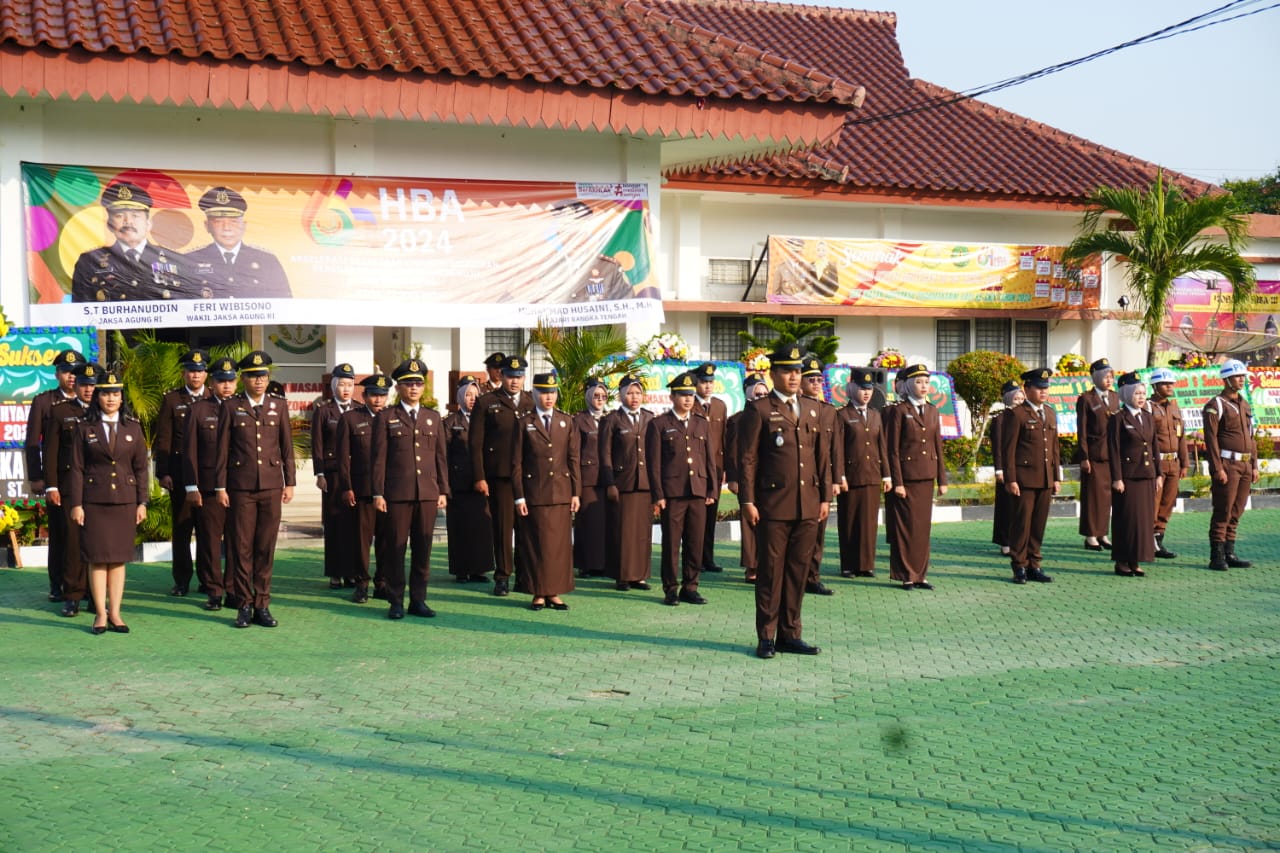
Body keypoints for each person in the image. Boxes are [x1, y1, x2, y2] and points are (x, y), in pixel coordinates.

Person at [739, 345, 830, 659]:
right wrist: (747, 500)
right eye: (788, 371)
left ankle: (791, 634)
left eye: (798, 371)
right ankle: (766, 636)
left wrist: (826, 498)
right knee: (771, 572)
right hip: (773, 505)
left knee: (797, 571)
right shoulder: (760, 410)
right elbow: (748, 460)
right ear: (774, 374)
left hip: (807, 504)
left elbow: (822, 459)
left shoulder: (812, 408)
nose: (794, 376)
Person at [215, 350, 295, 628]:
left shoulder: (279, 406)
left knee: (265, 547)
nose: (259, 381)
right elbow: (222, 451)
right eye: (253, 376)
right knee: (241, 547)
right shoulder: (230, 406)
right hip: (240, 487)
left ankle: (263, 604)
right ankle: (243, 605)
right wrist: (220, 486)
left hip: (272, 486)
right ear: (243, 379)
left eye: (262, 376)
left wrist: (291, 482)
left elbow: (286, 447)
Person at [65, 370, 149, 635]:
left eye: (115, 393)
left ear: (122, 397)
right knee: (98, 559)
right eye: (105, 393)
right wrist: (77, 504)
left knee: (118, 560)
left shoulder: (133, 428)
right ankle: (100, 614)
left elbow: (141, 468)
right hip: (94, 502)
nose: (111, 399)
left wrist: (142, 502)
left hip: (124, 501)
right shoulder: (83, 428)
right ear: (97, 397)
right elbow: (76, 468)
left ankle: (116, 613)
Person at [371, 359, 450, 620]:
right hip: (397, 494)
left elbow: (440, 457)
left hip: (427, 492)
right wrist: (378, 492)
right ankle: (395, 601)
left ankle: (419, 599)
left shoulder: (433, 417)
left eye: (418, 383)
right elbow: (379, 458)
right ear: (399, 387)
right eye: (408, 384)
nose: (414, 388)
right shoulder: (386, 417)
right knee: (395, 548)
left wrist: (442, 490)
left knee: (423, 548)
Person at [646, 372, 717, 606]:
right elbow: (654, 464)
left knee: (695, 543)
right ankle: (670, 588)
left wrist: (711, 490)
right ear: (672, 397)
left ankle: (690, 586)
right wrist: (658, 495)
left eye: (690, 395)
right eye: (682, 395)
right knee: (671, 544)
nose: (688, 399)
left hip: (697, 490)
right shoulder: (659, 425)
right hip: (673, 493)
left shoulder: (701, 423)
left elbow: (709, 459)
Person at [511, 373, 580, 611]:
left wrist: (575, 493)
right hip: (535, 493)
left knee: (559, 547)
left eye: (552, 392)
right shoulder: (524, 422)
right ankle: (538, 592)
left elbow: (573, 459)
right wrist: (519, 496)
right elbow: (516, 463)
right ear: (535, 394)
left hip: (561, 492)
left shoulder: (566, 421)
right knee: (537, 546)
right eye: (543, 392)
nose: (548, 397)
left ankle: (555, 592)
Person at [470, 354, 534, 596]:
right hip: (501, 475)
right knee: (503, 528)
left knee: (526, 528)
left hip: (528, 477)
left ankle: (525, 576)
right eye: (510, 376)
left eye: (518, 377)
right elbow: (475, 443)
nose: (514, 381)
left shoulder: (531, 402)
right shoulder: (487, 402)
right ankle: (503, 576)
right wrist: (479, 476)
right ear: (501, 376)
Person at [25, 348, 87, 601]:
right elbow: (33, 443)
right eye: (65, 372)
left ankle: (83, 584)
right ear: (57, 374)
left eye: (75, 372)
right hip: (58, 479)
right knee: (60, 533)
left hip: (86, 481)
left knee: (82, 535)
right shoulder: (44, 401)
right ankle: (57, 582)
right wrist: (38, 478)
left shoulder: (93, 400)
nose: (71, 377)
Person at [70, 182, 193, 302]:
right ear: (109, 225)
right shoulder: (90, 261)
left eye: (135, 215)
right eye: (119, 215)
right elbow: (81, 311)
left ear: (148, 224)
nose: (128, 221)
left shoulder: (175, 261)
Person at [153, 349, 212, 597]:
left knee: (208, 531)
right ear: (183, 373)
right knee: (182, 529)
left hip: (209, 476)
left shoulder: (215, 398)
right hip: (179, 475)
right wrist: (162, 472)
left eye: (199, 371)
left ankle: (209, 580)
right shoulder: (172, 400)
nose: (195, 375)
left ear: (206, 374)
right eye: (191, 371)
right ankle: (182, 580)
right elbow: (164, 439)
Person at [182, 357, 240, 612]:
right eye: (221, 381)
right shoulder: (199, 410)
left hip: (239, 486)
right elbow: (190, 452)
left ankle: (233, 589)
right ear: (212, 382)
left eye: (230, 381)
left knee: (238, 541)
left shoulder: (244, 407)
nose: (226, 386)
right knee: (210, 541)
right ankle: (214, 590)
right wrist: (191, 486)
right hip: (207, 486)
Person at [42, 362, 99, 616]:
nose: (89, 390)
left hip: (100, 488)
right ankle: (73, 594)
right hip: (68, 487)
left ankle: (96, 595)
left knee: (98, 543)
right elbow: (51, 453)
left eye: (93, 385)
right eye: (84, 385)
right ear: (76, 385)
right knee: (73, 542)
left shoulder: (108, 413)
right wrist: (51, 485)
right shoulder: (60, 412)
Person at [884, 364, 947, 590]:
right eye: (919, 382)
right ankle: (906, 574)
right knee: (905, 528)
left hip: (926, 476)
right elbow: (893, 450)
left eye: (926, 382)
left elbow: (937, 446)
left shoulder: (932, 410)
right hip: (907, 478)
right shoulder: (900, 411)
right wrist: (897, 482)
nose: (923, 386)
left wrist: (942, 479)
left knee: (922, 529)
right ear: (909, 385)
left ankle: (921, 574)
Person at [335, 373, 392, 603]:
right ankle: (361, 583)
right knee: (361, 541)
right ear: (365, 395)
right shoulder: (351, 418)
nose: (379, 400)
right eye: (374, 395)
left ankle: (382, 582)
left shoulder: (393, 417)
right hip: (362, 490)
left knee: (387, 540)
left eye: (383, 395)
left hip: (390, 490)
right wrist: (346, 487)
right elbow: (343, 458)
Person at [1000, 368, 1061, 585]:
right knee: (1021, 524)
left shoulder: (1050, 413)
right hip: (1024, 479)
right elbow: (1009, 450)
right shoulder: (1016, 414)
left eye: (1046, 388)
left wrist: (1056, 477)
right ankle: (1019, 566)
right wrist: (1011, 479)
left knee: (1038, 525)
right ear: (1027, 390)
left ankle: (1035, 564)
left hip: (1045, 478)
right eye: (1039, 388)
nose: (1043, 392)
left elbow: (1054, 449)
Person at [599, 374, 654, 591]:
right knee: (622, 532)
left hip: (645, 483)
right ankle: (622, 575)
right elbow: (605, 454)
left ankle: (639, 575)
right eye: (630, 393)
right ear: (621, 395)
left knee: (642, 532)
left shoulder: (650, 418)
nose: (634, 397)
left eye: (638, 393)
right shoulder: (612, 419)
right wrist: (610, 482)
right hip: (623, 483)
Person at [1203, 359, 1258, 571]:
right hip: (1227, 464)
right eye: (1237, 376)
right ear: (1226, 379)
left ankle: (1229, 552)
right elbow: (1211, 440)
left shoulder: (1244, 403)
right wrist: (1217, 469)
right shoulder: (1215, 405)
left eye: (1243, 376)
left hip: (1245, 465)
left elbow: (1251, 436)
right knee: (1223, 510)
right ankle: (1216, 556)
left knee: (1237, 510)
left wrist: (1254, 464)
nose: (1241, 379)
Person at [187, 186, 292, 298]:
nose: (227, 227)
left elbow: (284, 304)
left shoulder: (267, 261)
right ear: (207, 226)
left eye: (233, 221)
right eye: (218, 221)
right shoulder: (190, 260)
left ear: (244, 226)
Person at [834, 368, 890, 579]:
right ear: (852, 389)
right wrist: (840, 476)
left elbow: (882, 447)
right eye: (862, 389)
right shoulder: (842, 415)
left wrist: (887, 475)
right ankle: (848, 565)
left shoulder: (876, 415)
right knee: (848, 522)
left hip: (872, 475)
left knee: (869, 524)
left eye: (869, 389)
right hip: (851, 476)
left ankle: (866, 565)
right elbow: (837, 449)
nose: (866, 393)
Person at [1108, 372, 1161, 577]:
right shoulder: (1119, 418)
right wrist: (1117, 478)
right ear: (1128, 394)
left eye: (1143, 393)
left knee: (1143, 521)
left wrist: (1158, 473)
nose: (1141, 397)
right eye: (1137, 393)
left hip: (1146, 475)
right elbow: (1113, 450)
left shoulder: (1147, 417)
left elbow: (1154, 446)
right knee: (1127, 520)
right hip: (1128, 477)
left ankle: (1136, 560)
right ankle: (1122, 561)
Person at [312, 363, 358, 590]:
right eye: (342, 384)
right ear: (333, 386)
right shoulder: (324, 410)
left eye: (350, 384)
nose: (346, 389)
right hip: (332, 474)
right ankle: (335, 573)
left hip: (355, 475)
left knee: (353, 525)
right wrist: (319, 473)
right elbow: (317, 445)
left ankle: (352, 571)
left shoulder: (358, 409)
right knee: (334, 524)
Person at [443, 376, 493, 585]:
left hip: (481, 483)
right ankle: (461, 570)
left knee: (481, 527)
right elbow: (443, 454)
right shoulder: (450, 422)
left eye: (475, 395)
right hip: (459, 484)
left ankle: (479, 569)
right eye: (468, 394)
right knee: (460, 528)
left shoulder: (486, 420)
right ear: (460, 397)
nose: (472, 399)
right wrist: (444, 486)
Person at [725, 372, 769, 583]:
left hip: (770, 478)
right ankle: (752, 567)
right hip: (747, 478)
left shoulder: (773, 415)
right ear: (747, 394)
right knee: (749, 523)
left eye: (764, 393)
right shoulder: (737, 420)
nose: (761, 397)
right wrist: (733, 478)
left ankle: (768, 564)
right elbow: (732, 451)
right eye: (756, 393)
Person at [800, 355, 838, 595]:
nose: (816, 383)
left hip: (820, 480)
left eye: (819, 379)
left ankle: (812, 577)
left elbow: (835, 449)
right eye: (811, 379)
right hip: (798, 479)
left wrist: (836, 479)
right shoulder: (797, 407)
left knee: (817, 534)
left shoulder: (828, 410)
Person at [1075, 357, 1118, 552]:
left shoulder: (1116, 398)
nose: (1108, 380)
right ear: (1095, 377)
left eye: (1111, 376)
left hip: (1113, 454)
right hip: (1094, 455)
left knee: (1108, 497)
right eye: (1105, 376)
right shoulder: (1086, 399)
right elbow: (1082, 430)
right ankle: (1091, 536)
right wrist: (1084, 457)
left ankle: (1103, 533)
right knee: (1093, 497)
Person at [1148, 368, 1187, 559]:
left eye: (1171, 383)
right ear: (1155, 386)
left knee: (1167, 504)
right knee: (1153, 504)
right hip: (1157, 463)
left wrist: (1185, 463)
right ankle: (1148, 542)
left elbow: (1182, 437)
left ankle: (1159, 540)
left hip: (1174, 463)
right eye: (1165, 384)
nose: (1170, 386)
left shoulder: (1174, 407)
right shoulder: (1148, 407)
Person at [692, 362, 727, 575]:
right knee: (696, 518)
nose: (707, 386)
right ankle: (695, 559)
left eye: (711, 382)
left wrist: (726, 470)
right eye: (704, 382)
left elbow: (723, 439)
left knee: (711, 516)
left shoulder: (720, 406)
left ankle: (708, 558)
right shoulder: (689, 404)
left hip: (715, 469)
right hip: (696, 470)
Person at [573, 377, 609, 578]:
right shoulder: (579, 420)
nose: (600, 399)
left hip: (606, 479)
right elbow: (575, 453)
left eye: (603, 396)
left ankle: (602, 563)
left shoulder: (610, 418)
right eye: (596, 395)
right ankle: (586, 564)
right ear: (588, 396)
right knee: (587, 523)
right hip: (587, 478)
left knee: (604, 523)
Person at [990, 380, 1024, 557]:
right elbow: (998, 447)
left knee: (1019, 507)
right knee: (1006, 506)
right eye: (1016, 398)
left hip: (1022, 468)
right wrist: (999, 470)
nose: (1019, 401)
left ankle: (1018, 541)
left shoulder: (1026, 416)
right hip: (1005, 469)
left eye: (1021, 398)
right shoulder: (1000, 419)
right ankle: (1004, 541)